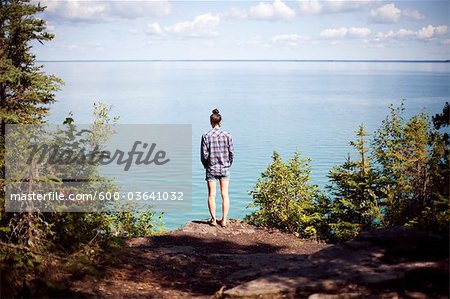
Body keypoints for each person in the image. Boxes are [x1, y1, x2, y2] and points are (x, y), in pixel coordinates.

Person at [201, 108, 234, 227]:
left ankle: (214, 219)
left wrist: (207, 166)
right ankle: (224, 220)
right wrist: (228, 164)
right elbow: (231, 153)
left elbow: (204, 155)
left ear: (211, 122)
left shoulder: (206, 136)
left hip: (211, 168)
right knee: (225, 194)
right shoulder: (227, 135)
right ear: (220, 122)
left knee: (211, 195)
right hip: (224, 168)